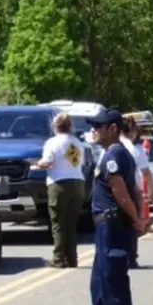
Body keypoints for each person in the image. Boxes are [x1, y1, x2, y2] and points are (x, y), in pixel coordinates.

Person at [71, 109, 150, 305]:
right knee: (100, 278)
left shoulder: (115, 153)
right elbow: (134, 189)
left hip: (113, 223)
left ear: (113, 129)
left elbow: (120, 190)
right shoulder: (112, 153)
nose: (94, 130)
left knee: (113, 278)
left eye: (99, 126)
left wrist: (136, 219)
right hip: (105, 224)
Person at [33, 111, 87, 268]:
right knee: (71, 223)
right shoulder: (76, 143)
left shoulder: (52, 143)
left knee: (58, 223)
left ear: (55, 126)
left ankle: (58, 258)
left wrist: (38, 164)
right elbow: (77, 162)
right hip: (77, 183)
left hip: (59, 183)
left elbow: (47, 162)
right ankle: (72, 258)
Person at [119, 118, 153, 268]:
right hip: (133, 189)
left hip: (128, 189)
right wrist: (152, 190)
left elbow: (145, 172)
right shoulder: (134, 149)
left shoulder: (131, 148)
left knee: (128, 223)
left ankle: (128, 256)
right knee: (132, 223)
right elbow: (145, 172)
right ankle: (130, 256)